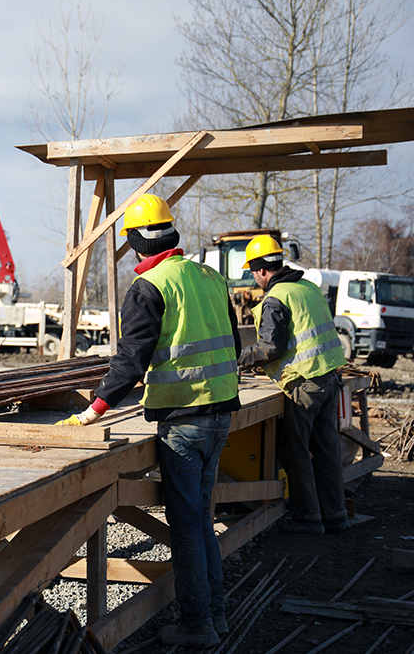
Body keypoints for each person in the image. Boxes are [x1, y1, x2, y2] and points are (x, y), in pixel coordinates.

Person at [57, 194, 241, 649]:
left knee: (187, 525)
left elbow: (131, 361)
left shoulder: (149, 287)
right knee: (200, 520)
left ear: (137, 244)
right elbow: (233, 344)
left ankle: (198, 625)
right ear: (171, 234)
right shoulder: (210, 277)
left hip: (183, 423)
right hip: (220, 415)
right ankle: (215, 617)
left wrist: (91, 410)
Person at [238, 235, 349, 536]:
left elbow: (269, 348)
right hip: (330, 378)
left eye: (253, 272)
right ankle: (336, 516)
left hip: (305, 385)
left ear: (261, 271)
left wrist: (238, 358)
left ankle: (308, 518)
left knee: (294, 450)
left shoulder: (276, 298)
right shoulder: (309, 288)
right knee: (326, 450)